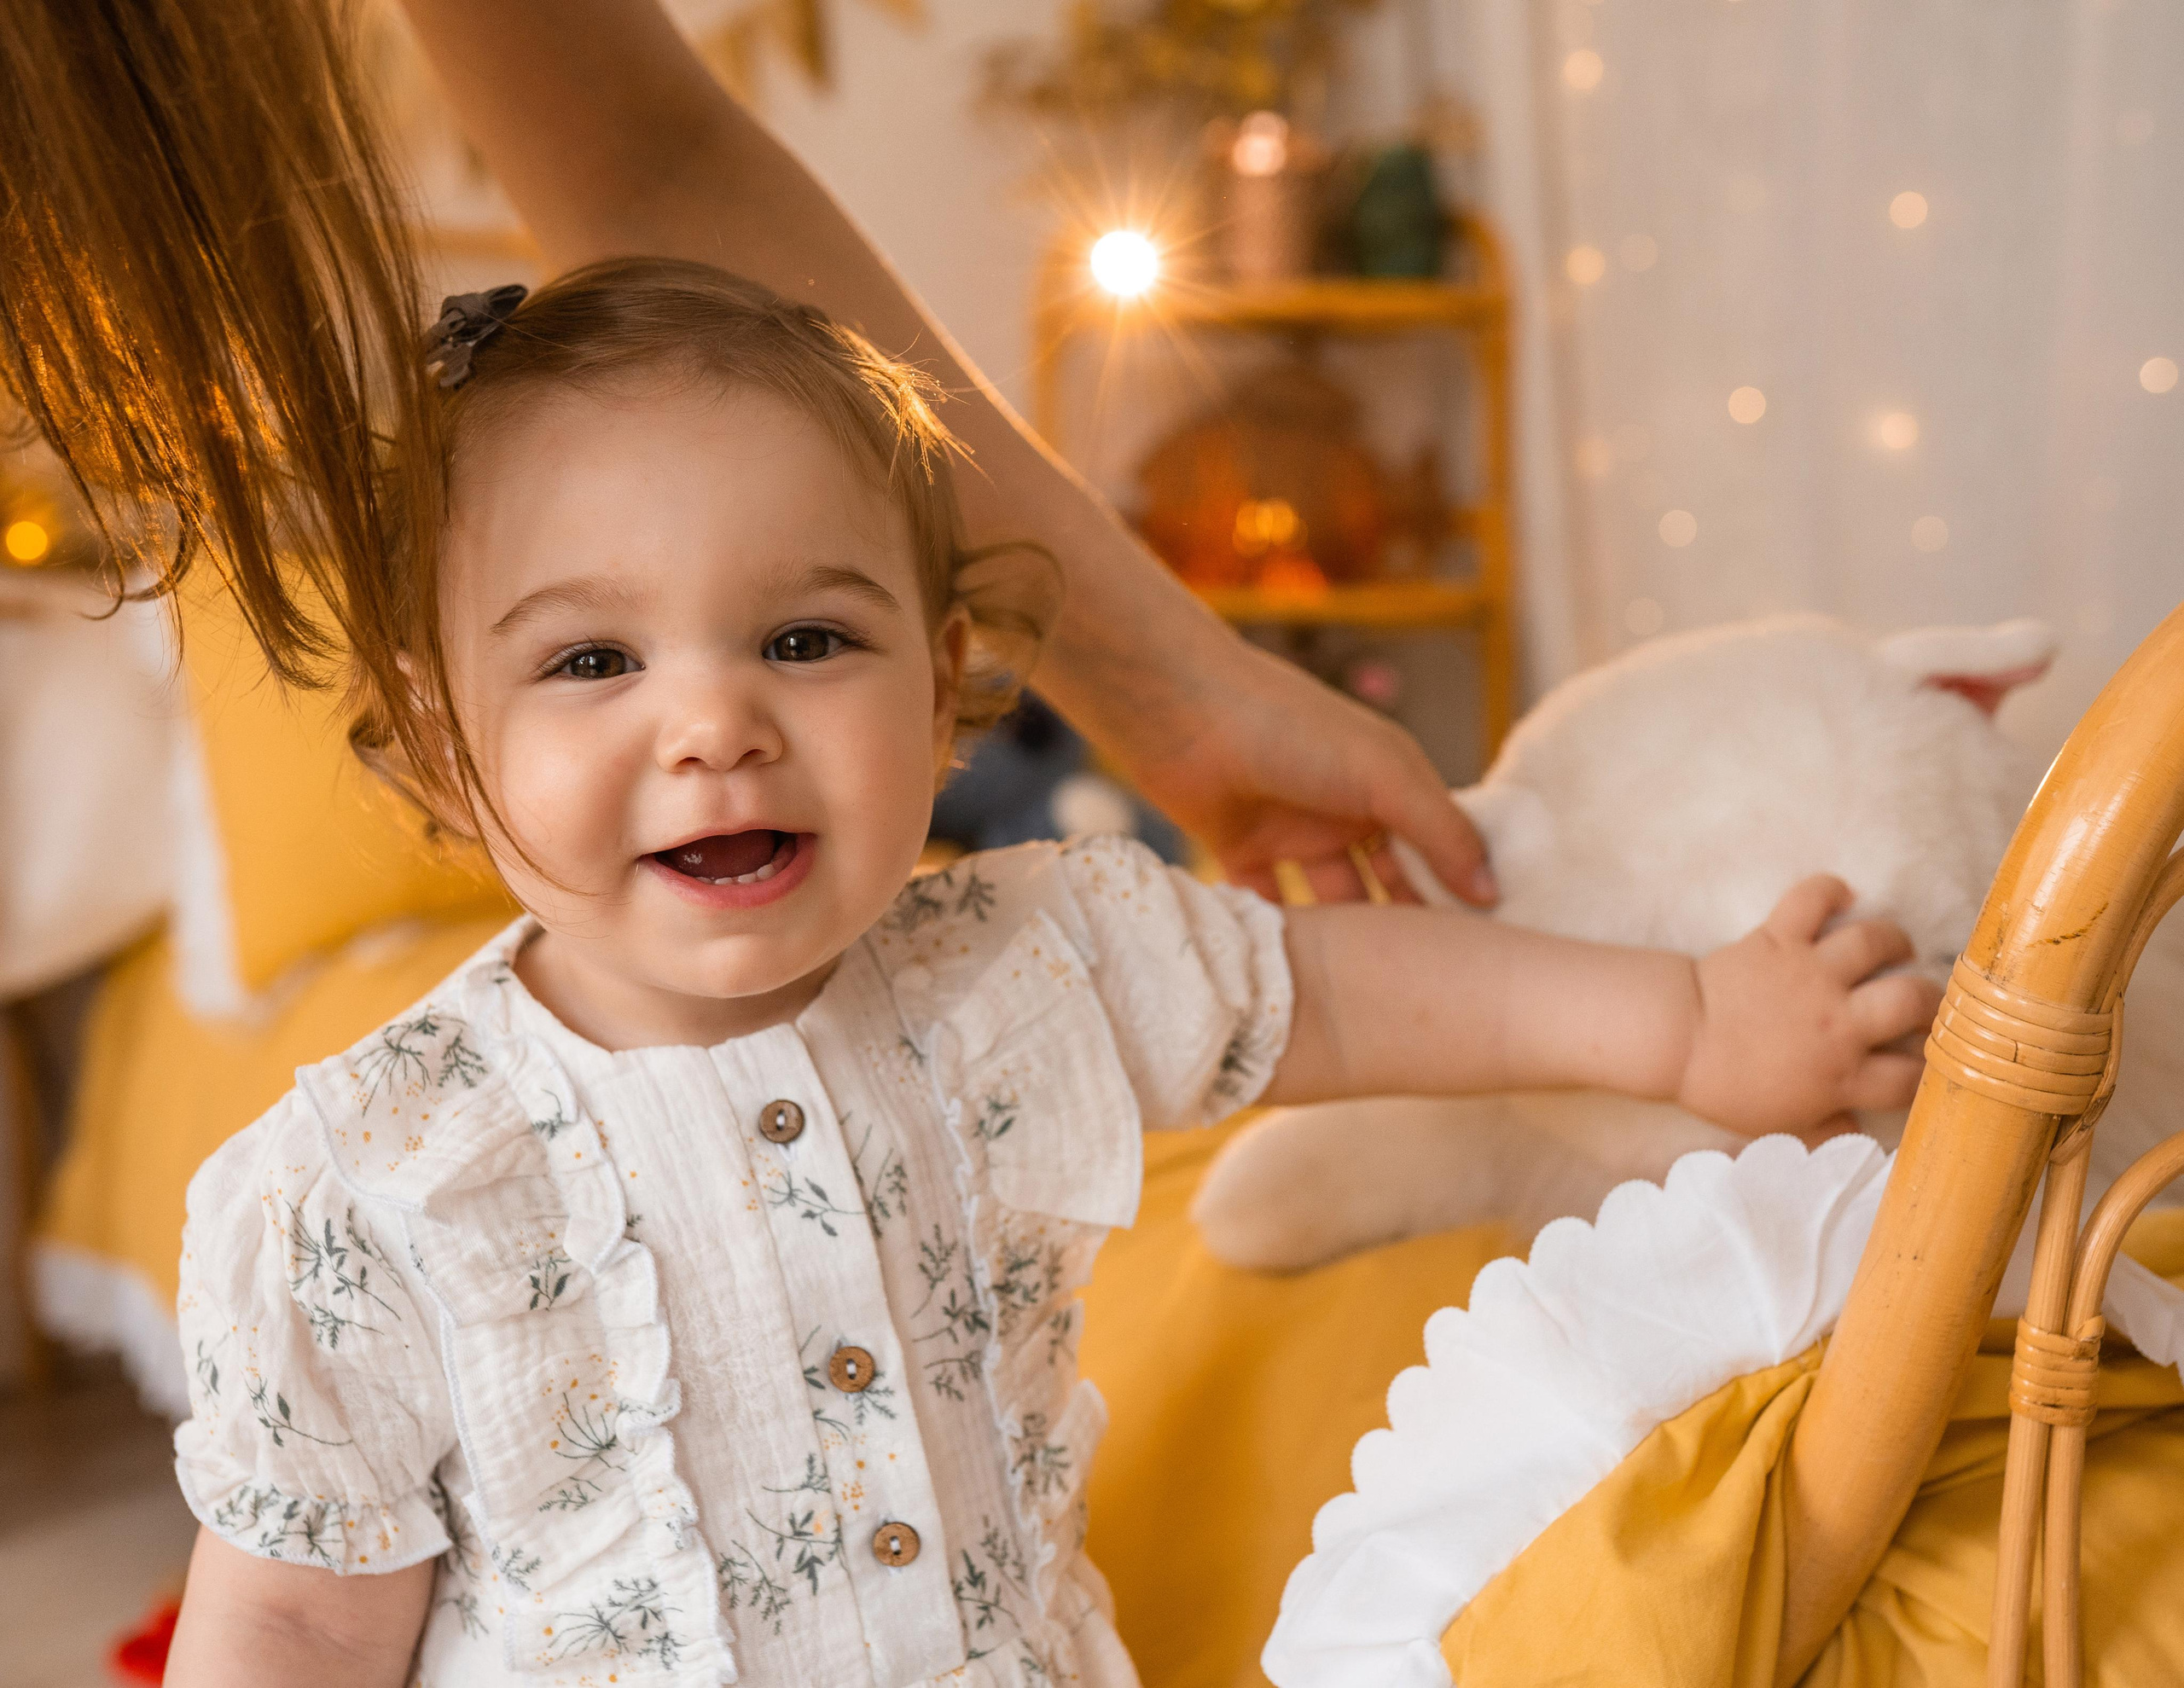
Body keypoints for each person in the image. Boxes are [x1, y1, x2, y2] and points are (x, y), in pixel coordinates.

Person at [149, 257, 1937, 1685]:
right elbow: (299, 1624)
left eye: (803, 636)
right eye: (593, 658)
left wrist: (1683, 1021)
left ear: (939, 692)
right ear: (446, 753)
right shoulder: (369, 1188)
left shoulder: (1021, 969)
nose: (713, 722)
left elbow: (1330, 993)